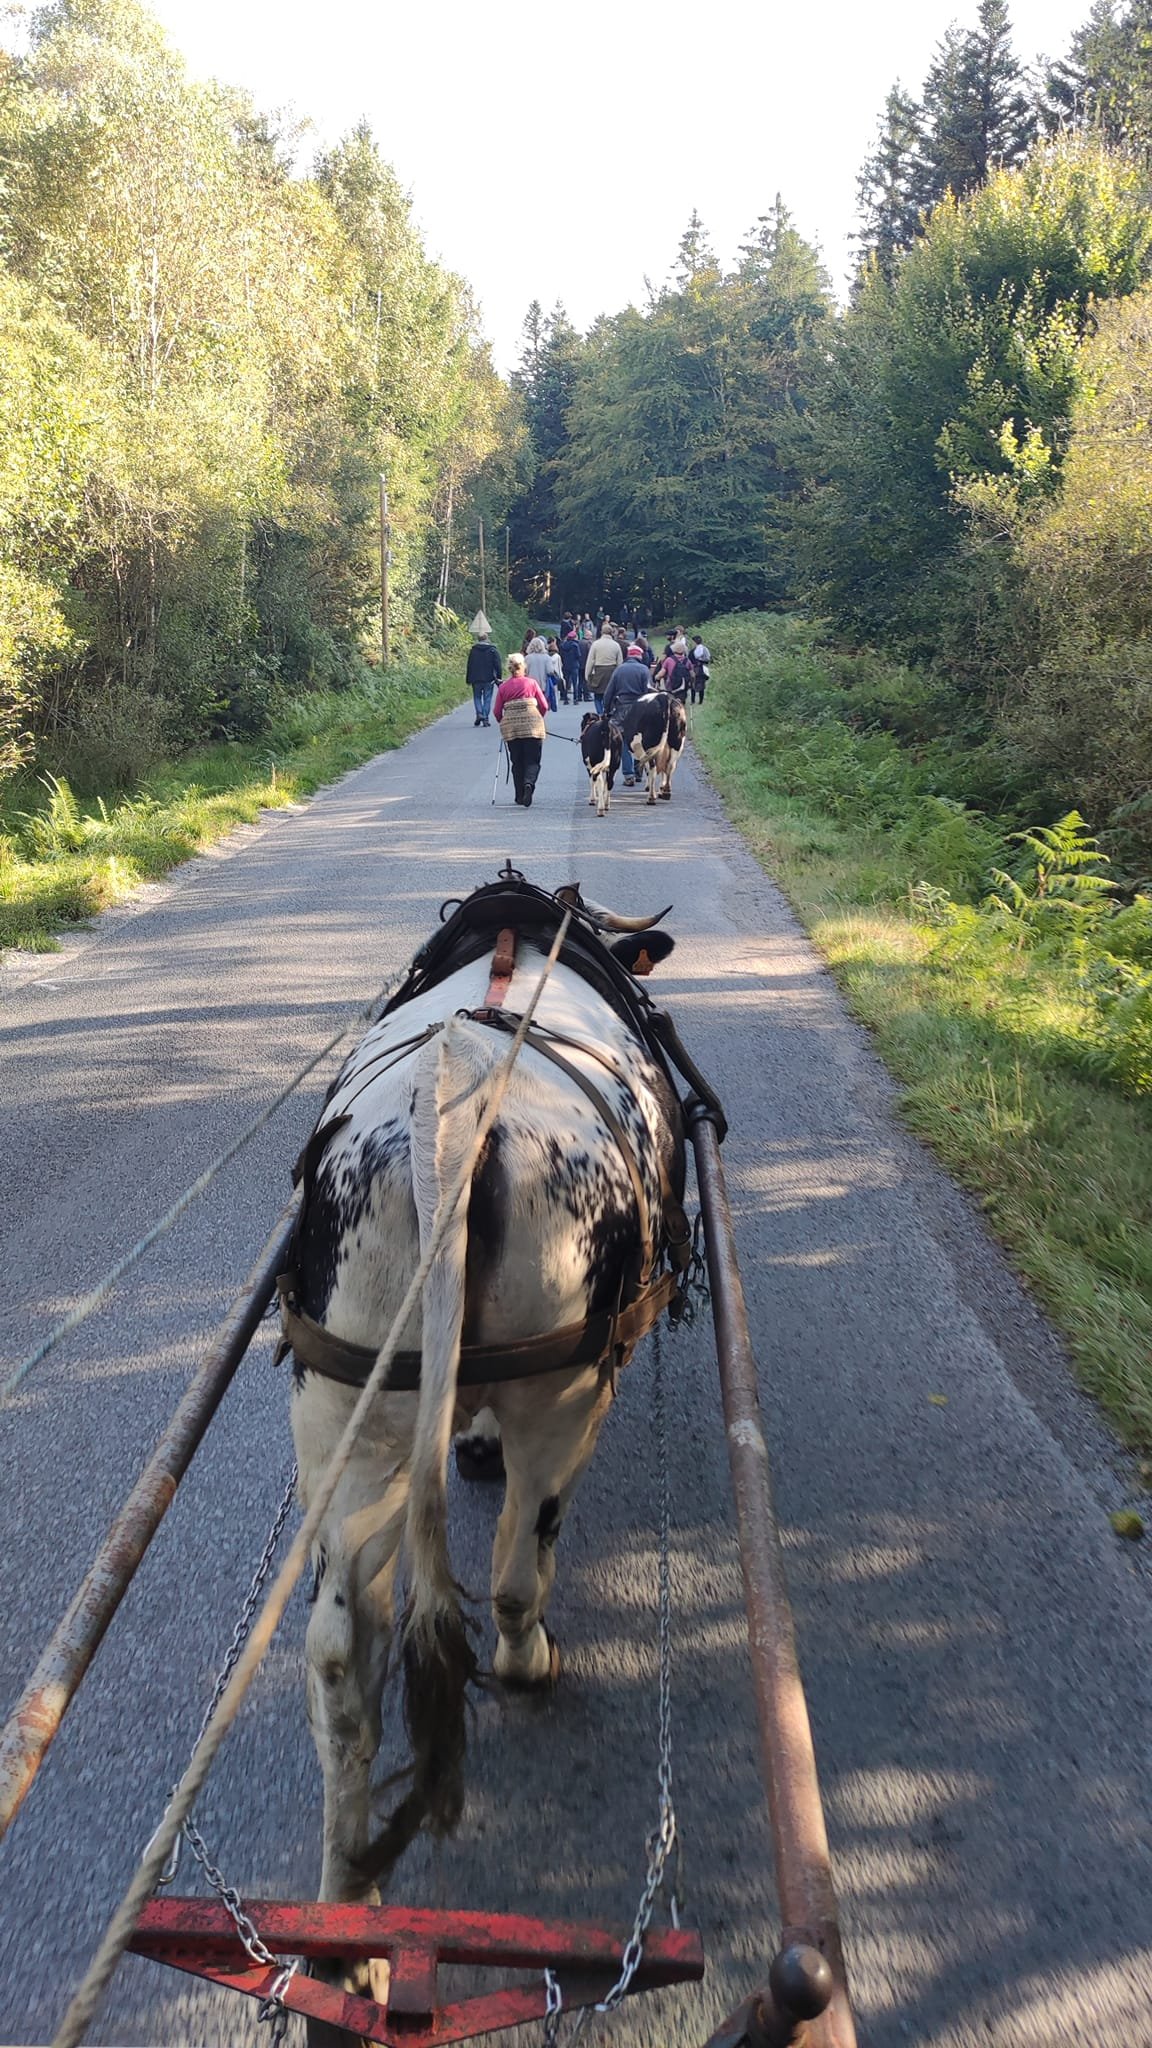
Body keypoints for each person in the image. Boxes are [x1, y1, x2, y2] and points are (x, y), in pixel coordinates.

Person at [493, 653, 549, 806]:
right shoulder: (531, 683)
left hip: (512, 729)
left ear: (509, 668)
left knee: (517, 761)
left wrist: (503, 721)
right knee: (532, 760)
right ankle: (529, 783)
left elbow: (497, 711)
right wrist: (538, 718)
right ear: (524, 666)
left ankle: (519, 795)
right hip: (533, 726)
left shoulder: (504, 687)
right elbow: (544, 705)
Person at [602, 642, 652, 786]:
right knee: (640, 740)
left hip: (622, 709)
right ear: (639, 656)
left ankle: (628, 774)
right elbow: (649, 691)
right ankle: (639, 770)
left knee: (623, 741)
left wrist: (606, 710)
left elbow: (609, 692)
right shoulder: (644, 670)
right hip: (640, 708)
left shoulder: (619, 670)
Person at [466, 626, 501, 727]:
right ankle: (485, 717)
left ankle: (479, 713)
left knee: (477, 697)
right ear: (487, 639)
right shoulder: (492, 650)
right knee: (487, 698)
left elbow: (469, 665)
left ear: (478, 639)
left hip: (475, 678)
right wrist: (498, 677)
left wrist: (468, 678)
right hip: (488, 678)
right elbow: (497, 664)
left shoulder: (473, 650)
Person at [584, 620, 622, 713]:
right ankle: (608, 713)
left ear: (601, 632)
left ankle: (600, 714)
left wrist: (587, 675)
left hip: (599, 671)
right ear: (611, 632)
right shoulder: (616, 645)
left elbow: (590, 661)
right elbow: (620, 662)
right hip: (612, 672)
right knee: (611, 695)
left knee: (598, 696)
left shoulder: (596, 644)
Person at [525, 633, 554, 712]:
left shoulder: (527, 658)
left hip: (530, 686)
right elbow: (550, 671)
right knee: (542, 705)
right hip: (542, 685)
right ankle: (540, 720)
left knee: (532, 706)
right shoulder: (547, 658)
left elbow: (525, 672)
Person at [560, 628, 584, 703]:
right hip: (574, 665)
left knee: (567, 682)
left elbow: (562, 655)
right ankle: (575, 699)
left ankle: (565, 698)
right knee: (574, 682)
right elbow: (578, 655)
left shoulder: (563, 645)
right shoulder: (575, 645)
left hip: (566, 665)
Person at [690, 634, 711, 703]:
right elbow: (708, 659)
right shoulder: (705, 649)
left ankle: (693, 701)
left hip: (695, 669)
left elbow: (689, 660)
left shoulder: (692, 651)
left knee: (693, 684)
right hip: (702, 669)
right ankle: (700, 701)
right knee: (701, 685)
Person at [546, 636, 566, 707]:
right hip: (556, 674)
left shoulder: (547, 656)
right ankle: (555, 703)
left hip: (549, 674)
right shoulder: (557, 656)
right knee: (556, 690)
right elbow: (559, 666)